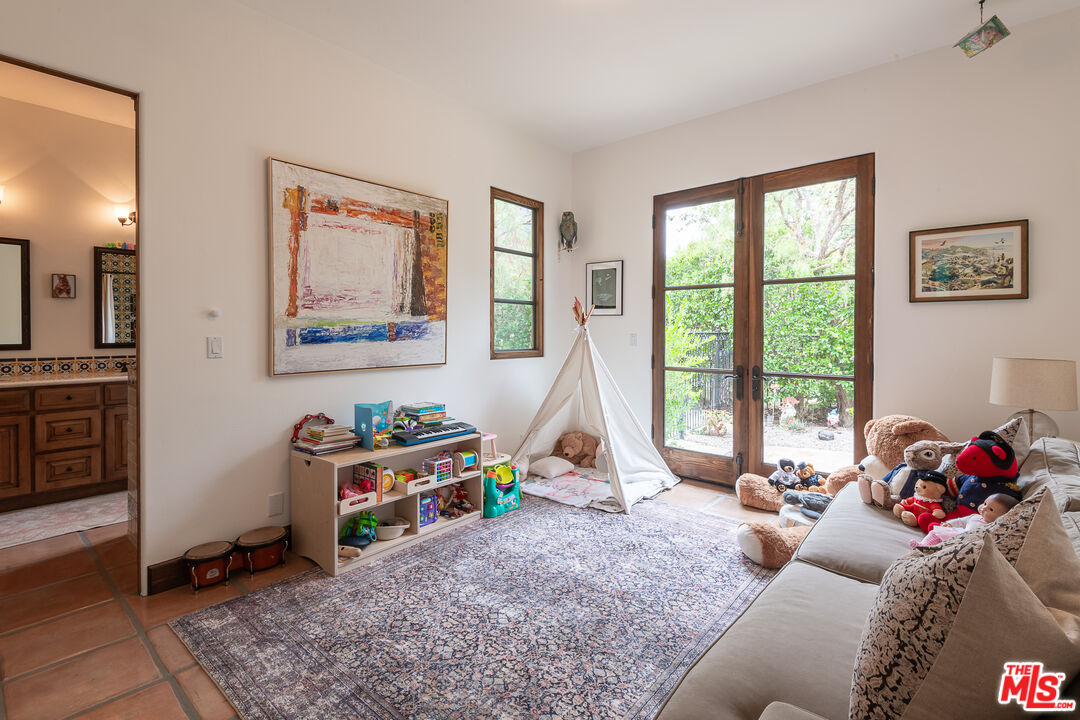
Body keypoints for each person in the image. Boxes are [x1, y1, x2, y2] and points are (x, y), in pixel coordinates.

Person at [909, 493, 1019, 548]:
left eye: (991, 509)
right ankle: (923, 545)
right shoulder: (975, 517)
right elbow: (960, 521)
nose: (983, 508)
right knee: (935, 532)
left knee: (944, 545)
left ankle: (934, 549)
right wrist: (947, 524)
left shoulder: (993, 527)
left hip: (967, 543)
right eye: (985, 503)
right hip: (957, 534)